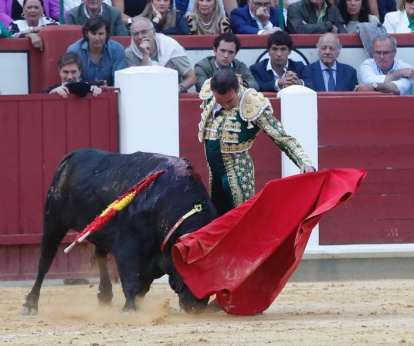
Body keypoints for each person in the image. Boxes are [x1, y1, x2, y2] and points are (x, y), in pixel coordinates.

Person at [198, 69, 315, 215]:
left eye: (230, 101)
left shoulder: (251, 102)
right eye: (220, 102)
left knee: (242, 218)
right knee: (217, 219)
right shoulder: (211, 93)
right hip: (214, 173)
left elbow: (280, 136)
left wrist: (303, 160)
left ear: (238, 89)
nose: (226, 106)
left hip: (239, 172)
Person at [125, 17, 196, 93]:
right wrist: (145, 56)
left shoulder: (170, 47)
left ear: (154, 32)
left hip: (173, 96)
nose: (140, 37)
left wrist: (177, 89)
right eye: (135, 34)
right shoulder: (129, 53)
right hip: (144, 96)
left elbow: (191, 77)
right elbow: (141, 84)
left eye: (144, 32)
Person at [67, 15, 127, 87]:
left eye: (101, 34)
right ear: (86, 33)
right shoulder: (74, 50)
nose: (97, 38)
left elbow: (120, 81)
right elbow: (73, 81)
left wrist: (107, 89)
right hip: (82, 94)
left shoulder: (117, 49)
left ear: (107, 34)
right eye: (93, 34)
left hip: (110, 94)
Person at [194, 32, 259, 91]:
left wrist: (243, 84)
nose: (226, 56)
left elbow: (255, 85)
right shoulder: (202, 66)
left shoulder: (240, 66)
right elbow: (202, 87)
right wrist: (232, 82)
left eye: (231, 52)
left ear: (235, 53)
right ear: (215, 50)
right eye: (223, 51)